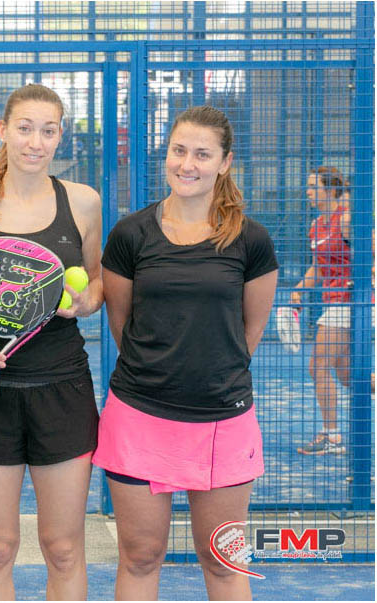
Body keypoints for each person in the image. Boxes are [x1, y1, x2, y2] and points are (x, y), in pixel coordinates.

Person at [95, 105, 278, 600]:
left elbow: (251, 330)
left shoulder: (252, 240)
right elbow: (122, 324)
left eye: (202, 154)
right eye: (179, 151)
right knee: (139, 558)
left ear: (224, 162)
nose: (187, 164)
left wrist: (212, 375)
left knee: (223, 563)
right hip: (138, 416)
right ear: (167, 154)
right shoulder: (130, 234)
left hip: (223, 421)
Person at [0, 83, 103, 600]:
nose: (36, 142)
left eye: (48, 131)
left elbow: (97, 283)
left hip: (64, 390)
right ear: (3, 130)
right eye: (25, 128)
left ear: (60, 136)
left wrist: (84, 302)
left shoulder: (83, 202)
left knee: (64, 547)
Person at [291, 167, 351, 455]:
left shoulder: (347, 220)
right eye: (308, 186)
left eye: (314, 187)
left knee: (318, 365)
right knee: (349, 375)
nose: (309, 192)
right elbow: (318, 268)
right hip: (333, 301)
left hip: (350, 302)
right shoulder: (316, 226)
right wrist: (298, 290)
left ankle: (332, 437)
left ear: (331, 190)